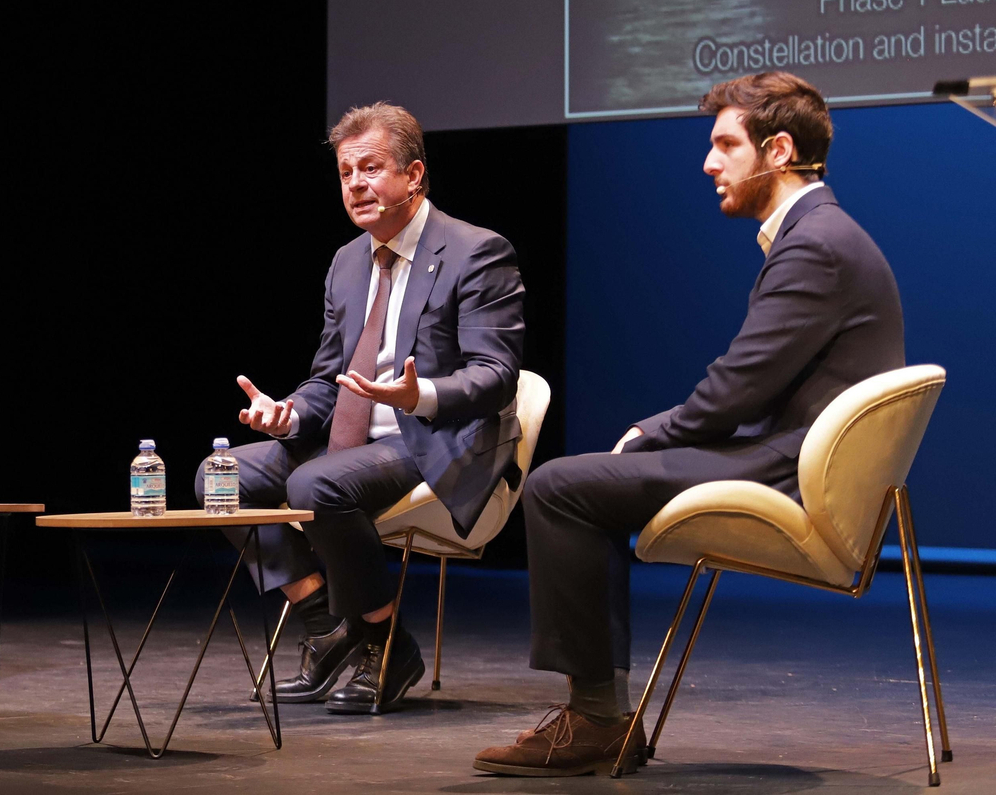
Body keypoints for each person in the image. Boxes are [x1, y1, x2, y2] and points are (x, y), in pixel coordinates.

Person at [474, 71, 905, 776]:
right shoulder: (820, 234)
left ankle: (596, 720)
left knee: (558, 486)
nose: (709, 162)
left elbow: (735, 390)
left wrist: (653, 431)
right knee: (579, 482)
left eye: (725, 144)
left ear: (779, 150)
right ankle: (599, 712)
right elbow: (750, 388)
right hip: (789, 451)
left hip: (792, 468)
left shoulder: (815, 244)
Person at [210, 102, 525, 714]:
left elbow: (496, 375)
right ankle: (330, 630)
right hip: (347, 441)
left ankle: (385, 645)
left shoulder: (477, 251)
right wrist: (292, 413)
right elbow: (329, 378)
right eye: (346, 173)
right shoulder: (347, 261)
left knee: (314, 483)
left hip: (431, 436)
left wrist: (421, 395)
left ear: (414, 175)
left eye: (372, 168)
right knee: (218, 476)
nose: (356, 184)